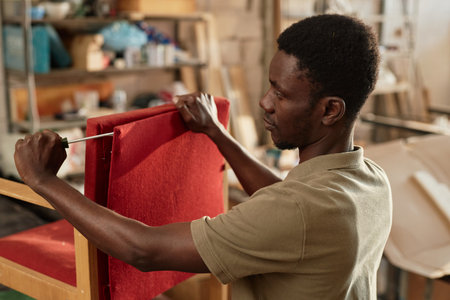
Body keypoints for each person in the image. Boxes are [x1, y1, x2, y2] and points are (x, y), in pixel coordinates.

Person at [13, 14, 391, 299]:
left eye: (282, 94)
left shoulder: (298, 212)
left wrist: (43, 181)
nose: (265, 102)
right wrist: (217, 133)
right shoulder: (369, 180)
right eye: (269, 86)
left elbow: (143, 249)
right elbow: (284, 198)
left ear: (330, 111)